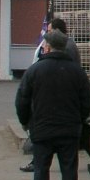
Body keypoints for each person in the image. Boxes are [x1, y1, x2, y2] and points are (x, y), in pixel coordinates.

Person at [15, 28, 90, 180]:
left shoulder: (34, 70)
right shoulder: (77, 71)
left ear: (48, 47)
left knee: (41, 170)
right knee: (69, 171)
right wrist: (79, 120)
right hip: (69, 130)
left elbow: (22, 100)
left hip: (42, 130)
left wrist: (26, 122)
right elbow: (87, 101)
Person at [21, 17, 81, 171]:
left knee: (47, 164)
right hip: (61, 115)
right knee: (66, 167)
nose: (46, 34)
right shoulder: (58, 52)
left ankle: (37, 166)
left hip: (53, 112)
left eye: (49, 30)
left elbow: (23, 97)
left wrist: (26, 120)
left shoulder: (67, 49)